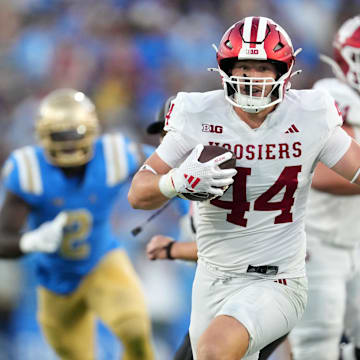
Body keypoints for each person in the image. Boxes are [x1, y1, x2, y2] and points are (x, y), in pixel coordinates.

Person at [128, 15, 360, 360]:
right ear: (226, 69)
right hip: (212, 279)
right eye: (243, 67)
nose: (252, 78)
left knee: (214, 352)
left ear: (284, 71)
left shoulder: (310, 113)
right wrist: (176, 180)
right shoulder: (198, 113)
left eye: (263, 67)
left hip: (277, 279)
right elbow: (138, 193)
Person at [0, 88, 155, 360]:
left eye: (76, 133)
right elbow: (3, 238)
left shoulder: (114, 154)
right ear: (42, 135)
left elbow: (163, 163)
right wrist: (30, 241)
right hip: (55, 279)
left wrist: (185, 208)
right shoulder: (28, 169)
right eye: (61, 135)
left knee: (135, 330)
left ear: (93, 130)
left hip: (103, 261)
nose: (69, 143)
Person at [289, 16, 360, 360]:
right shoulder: (331, 95)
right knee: (317, 342)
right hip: (318, 241)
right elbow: (327, 175)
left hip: (355, 240)